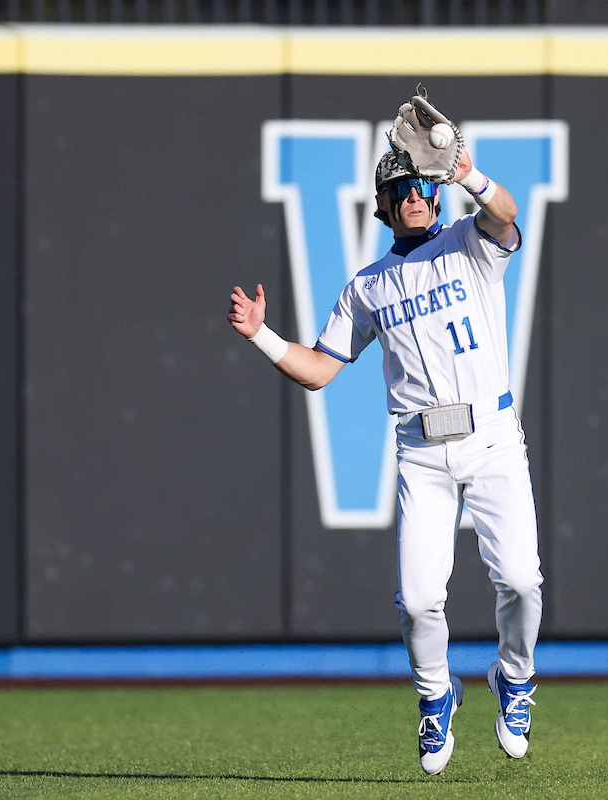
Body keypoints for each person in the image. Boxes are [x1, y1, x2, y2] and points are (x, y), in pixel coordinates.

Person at [228, 96, 543, 776]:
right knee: (421, 600)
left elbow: (507, 214)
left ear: (437, 191)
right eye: (401, 190)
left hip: (491, 435)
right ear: (384, 204)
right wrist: (261, 335)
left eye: (422, 186)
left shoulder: (468, 243)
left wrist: (466, 172)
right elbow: (318, 371)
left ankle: (514, 679)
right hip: (423, 451)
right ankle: (436, 696)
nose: (414, 198)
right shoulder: (366, 287)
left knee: (521, 580)